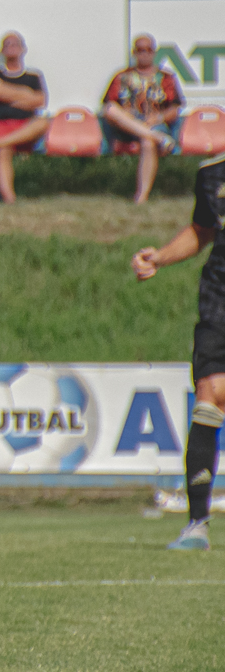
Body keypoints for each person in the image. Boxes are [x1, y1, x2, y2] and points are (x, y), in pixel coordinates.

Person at [131, 159, 225, 551]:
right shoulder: (213, 174)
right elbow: (202, 230)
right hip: (220, 299)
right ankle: (197, 524)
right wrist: (161, 257)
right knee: (211, 394)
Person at [103, 34, 183, 205]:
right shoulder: (122, 77)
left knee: (147, 142)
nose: (144, 54)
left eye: (148, 50)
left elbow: (175, 109)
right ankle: (160, 139)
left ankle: (142, 196)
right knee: (110, 110)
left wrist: (158, 118)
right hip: (129, 125)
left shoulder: (166, 78)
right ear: (134, 53)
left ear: (154, 52)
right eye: (140, 50)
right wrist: (128, 115)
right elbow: (110, 105)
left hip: (155, 122)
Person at [0, 32, 48, 204]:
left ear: (23, 49)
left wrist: (7, 93)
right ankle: (10, 200)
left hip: (25, 129)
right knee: (4, 150)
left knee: (43, 122)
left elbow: (40, 101)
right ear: (2, 51)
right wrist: (26, 96)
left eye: (15, 44)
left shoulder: (33, 77)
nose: (11, 47)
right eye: (7, 44)